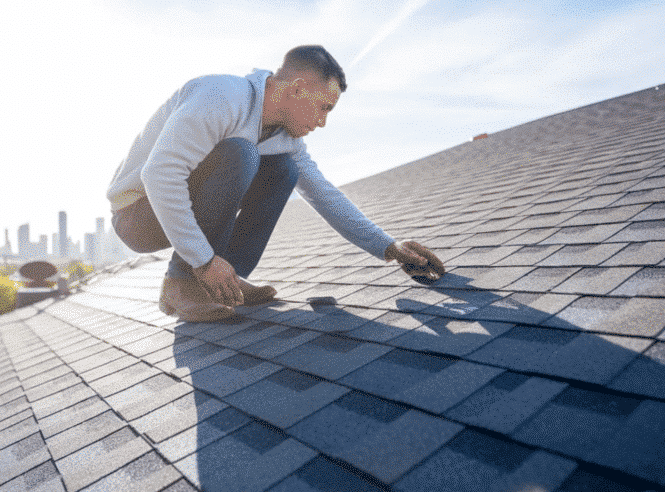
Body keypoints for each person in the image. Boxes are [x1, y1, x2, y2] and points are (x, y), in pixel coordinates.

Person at [107, 45, 446, 322]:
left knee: (283, 169)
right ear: (297, 89)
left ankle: (227, 284)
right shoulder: (221, 98)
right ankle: (181, 284)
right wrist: (202, 260)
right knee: (241, 153)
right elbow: (159, 174)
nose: (323, 122)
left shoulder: (286, 139)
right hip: (137, 215)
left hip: (178, 212)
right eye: (323, 108)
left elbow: (323, 194)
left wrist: (388, 246)